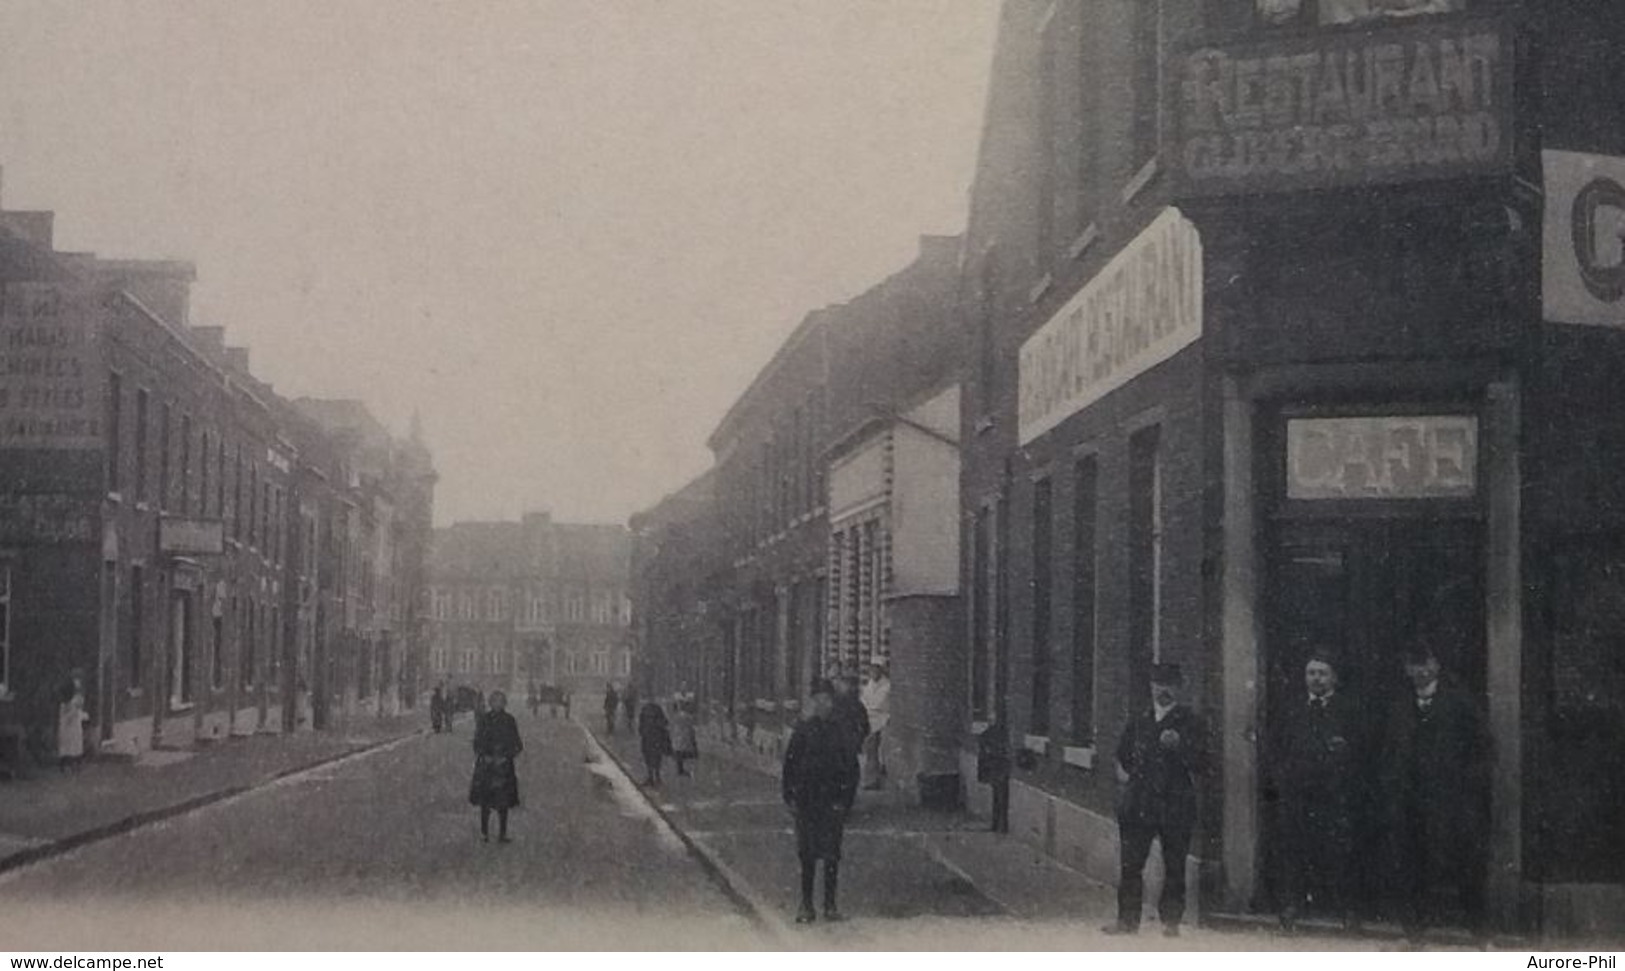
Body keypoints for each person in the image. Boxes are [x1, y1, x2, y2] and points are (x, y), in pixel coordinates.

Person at [1382, 644, 1490, 942]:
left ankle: (1478, 930)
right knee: (1413, 865)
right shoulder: (1399, 706)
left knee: (1464, 862)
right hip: (1411, 800)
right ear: (1406, 670)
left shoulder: (1459, 702)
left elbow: (1483, 748)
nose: (1420, 670)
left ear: (1437, 666)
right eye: (1413, 665)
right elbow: (1389, 752)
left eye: (1425, 663)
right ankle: (1414, 931)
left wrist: (1466, 786)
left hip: (1452, 800)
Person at [1105, 662, 1209, 938]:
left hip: (1176, 802)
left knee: (1174, 863)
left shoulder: (1191, 722)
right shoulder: (1140, 719)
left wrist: (1181, 746)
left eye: (1169, 684)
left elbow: (1203, 762)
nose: (1163, 690)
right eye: (1158, 683)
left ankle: (1171, 921)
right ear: (1151, 687)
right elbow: (1123, 754)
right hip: (1141, 802)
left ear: (1179, 688)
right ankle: (1127, 921)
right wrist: (1132, 782)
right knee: (1131, 863)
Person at [1271, 652, 1360, 933]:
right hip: (1298, 794)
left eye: (1322, 673)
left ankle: (1346, 908)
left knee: (1339, 851)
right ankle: (1291, 906)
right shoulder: (1292, 708)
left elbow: (1364, 748)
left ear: (1334, 677)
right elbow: (1276, 746)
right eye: (1311, 673)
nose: (1316, 678)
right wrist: (1284, 777)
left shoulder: (1349, 709)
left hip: (1336, 794)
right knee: (1294, 850)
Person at [782, 679, 859, 924]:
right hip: (807, 802)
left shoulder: (841, 732)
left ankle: (830, 905)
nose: (822, 704)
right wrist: (790, 796)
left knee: (831, 855)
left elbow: (851, 769)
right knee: (807, 854)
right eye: (818, 700)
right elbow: (790, 766)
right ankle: (806, 905)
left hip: (832, 802)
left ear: (832, 703)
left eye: (826, 699)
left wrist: (845, 801)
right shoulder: (803, 731)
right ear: (813, 702)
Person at [468, 690, 523, 843]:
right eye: (494, 701)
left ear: (504, 704)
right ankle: (484, 832)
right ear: (490, 703)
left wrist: (507, 756)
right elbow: (477, 742)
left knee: (503, 802)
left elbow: (517, 744)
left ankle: (502, 834)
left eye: (500, 702)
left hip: (504, 766)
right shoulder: (484, 720)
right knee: (485, 801)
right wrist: (485, 756)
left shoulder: (509, 721)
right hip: (487, 766)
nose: (497, 705)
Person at [976, 717, 1012, 833]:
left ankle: (999, 825)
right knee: (999, 797)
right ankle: (999, 825)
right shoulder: (993, 736)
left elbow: (984, 754)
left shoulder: (990, 737)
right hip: (999, 769)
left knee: (999, 797)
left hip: (998, 769)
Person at [859, 662, 891, 790]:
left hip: (881, 720)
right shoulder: (869, 685)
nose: (873, 672)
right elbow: (864, 700)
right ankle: (871, 779)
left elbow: (880, 704)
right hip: (869, 719)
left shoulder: (887, 686)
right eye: (871, 669)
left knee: (876, 751)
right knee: (870, 751)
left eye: (875, 669)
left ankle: (874, 779)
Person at [830, 672, 870, 766]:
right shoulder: (855, 704)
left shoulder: (836, 702)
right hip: (846, 742)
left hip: (843, 742)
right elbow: (865, 726)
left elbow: (864, 725)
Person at [56, 670, 89, 771]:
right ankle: (66, 764)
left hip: (74, 720)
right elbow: (68, 706)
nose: (77, 682)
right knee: (67, 743)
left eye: (78, 679)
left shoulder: (78, 695)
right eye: (75, 679)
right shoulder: (68, 695)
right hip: (68, 719)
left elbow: (78, 706)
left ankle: (74, 764)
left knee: (74, 742)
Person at [637, 698, 672, 787]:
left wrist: (643, 731)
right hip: (655, 738)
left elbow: (641, 726)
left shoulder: (645, 710)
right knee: (655, 758)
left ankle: (652, 777)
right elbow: (665, 723)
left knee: (649, 757)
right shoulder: (657, 710)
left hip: (649, 738)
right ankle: (656, 777)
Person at [670, 699, 699, 777]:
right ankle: (689, 770)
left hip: (678, 737)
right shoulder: (687, 717)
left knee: (679, 752)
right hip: (685, 736)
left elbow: (672, 727)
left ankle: (680, 769)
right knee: (687, 753)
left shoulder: (675, 717)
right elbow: (690, 728)